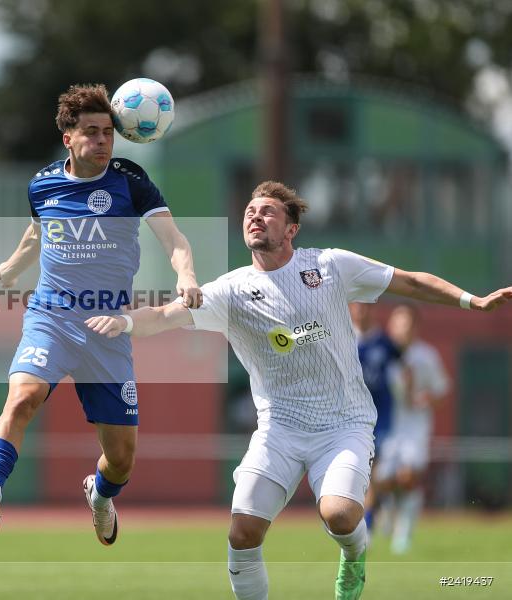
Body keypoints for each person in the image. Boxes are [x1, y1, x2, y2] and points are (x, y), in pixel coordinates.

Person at [86, 181, 512, 599]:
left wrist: (471, 301)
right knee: (242, 532)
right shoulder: (229, 292)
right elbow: (163, 315)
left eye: (268, 211)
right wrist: (124, 323)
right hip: (280, 430)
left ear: (291, 228)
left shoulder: (329, 266)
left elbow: (409, 282)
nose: (256, 216)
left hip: (343, 424)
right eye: (250, 212)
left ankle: (355, 554)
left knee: (341, 515)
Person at [0, 83, 203, 545]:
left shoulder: (130, 182)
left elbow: (174, 239)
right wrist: (13, 267)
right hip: (51, 317)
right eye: (91, 133)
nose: (101, 142)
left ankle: (99, 496)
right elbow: (37, 234)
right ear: (68, 139)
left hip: (107, 327)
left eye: (108, 134)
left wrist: (187, 276)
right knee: (20, 400)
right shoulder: (43, 184)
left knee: (120, 459)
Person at [375, 303, 449, 554]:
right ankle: (387, 508)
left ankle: (403, 533)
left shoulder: (425, 356)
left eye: (406, 324)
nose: (400, 329)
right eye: (396, 323)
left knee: (408, 477)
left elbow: (441, 390)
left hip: (414, 427)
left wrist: (424, 398)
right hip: (384, 426)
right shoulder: (382, 352)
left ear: (415, 327)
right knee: (382, 481)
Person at [349, 302, 404, 530]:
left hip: (380, 418)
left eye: (367, 307)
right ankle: (376, 511)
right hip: (348, 417)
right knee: (362, 473)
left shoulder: (385, 343)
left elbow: (404, 365)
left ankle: (367, 525)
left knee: (371, 473)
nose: (362, 311)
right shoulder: (342, 337)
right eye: (357, 306)